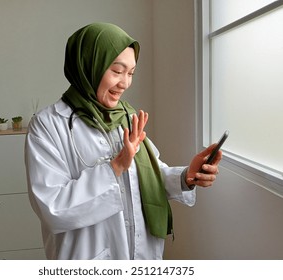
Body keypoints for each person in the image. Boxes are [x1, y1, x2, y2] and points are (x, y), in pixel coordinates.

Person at [25, 22, 222, 260]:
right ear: (89, 65)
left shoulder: (127, 117)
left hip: (142, 255)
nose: (125, 83)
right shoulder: (48, 124)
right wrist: (116, 166)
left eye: (130, 73)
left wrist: (186, 176)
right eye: (117, 71)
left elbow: (148, 178)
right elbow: (51, 207)